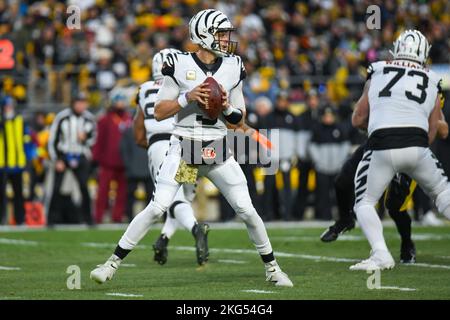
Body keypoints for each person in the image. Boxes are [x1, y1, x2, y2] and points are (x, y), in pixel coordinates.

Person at [90, 9, 293, 287]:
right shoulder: (178, 64)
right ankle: (110, 264)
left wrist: (226, 107)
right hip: (186, 149)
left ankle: (273, 269)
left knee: (247, 210)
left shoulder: (234, 65)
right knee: (159, 206)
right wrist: (188, 97)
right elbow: (160, 112)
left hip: (218, 149)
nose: (226, 39)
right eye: (221, 34)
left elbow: (239, 120)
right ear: (204, 35)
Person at [349, 30, 450, 271]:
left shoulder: (378, 69)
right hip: (417, 144)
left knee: (364, 202)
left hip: (382, 144)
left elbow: (358, 118)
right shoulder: (433, 78)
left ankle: (381, 254)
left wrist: (373, 127)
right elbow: (433, 128)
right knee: (442, 192)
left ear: (397, 48)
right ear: (424, 53)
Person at [132, 48, 210, 266]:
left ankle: (196, 229)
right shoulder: (187, 86)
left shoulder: (144, 89)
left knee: (172, 199)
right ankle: (164, 238)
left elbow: (138, 134)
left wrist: (153, 145)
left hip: (160, 145)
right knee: (184, 196)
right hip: (188, 145)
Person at [47, 92, 96, 225]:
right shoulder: (62, 117)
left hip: (80, 155)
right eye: (78, 103)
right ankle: (51, 219)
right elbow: (53, 140)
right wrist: (57, 159)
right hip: (64, 155)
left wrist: (86, 138)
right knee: (56, 188)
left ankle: (88, 219)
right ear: (73, 103)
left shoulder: (89, 118)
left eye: (83, 103)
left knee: (84, 187)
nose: (81, 106)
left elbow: (93, 139)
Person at [92, 90, 132, 223]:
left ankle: (117, 217)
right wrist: (96, 159)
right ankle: (98, 216)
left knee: (122, 193)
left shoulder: (129, 119)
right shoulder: (104, 119)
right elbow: (99, 140)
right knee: (103, 191)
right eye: (118, 101)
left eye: (122, 101)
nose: (120, 104)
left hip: (124, 162)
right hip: (107, 162)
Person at [0, 95, 28, 225]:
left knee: (19, 194)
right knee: (1, 195)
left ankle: (20, 219)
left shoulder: (19, 120)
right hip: (2, 164)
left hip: (17, 163)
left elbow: (26, 139)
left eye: (11, 106)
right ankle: (2, 219)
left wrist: (28, 156)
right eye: (7, 106)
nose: (9, 108)